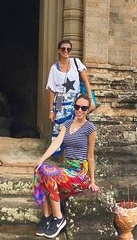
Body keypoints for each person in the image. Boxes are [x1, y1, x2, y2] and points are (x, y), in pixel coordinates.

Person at [33, 95, 99, 238]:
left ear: (88, 110)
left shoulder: (90, 128)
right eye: (77, 107)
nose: (79, 110)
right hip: (65, 170)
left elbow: (91, 156)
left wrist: (92, 181)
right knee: (39, 171)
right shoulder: (67, 124)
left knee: (48, 173)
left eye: (83, 108)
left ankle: (58, 218)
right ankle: (46, 216)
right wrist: (41, 159)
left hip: (78, 174)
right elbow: (56, 143)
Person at [46, 39, 95, 156]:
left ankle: (74, 158)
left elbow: (86, 81)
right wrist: (51, 111)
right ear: (59, 51)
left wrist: (90, 99)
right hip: (60, 103)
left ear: (71, 51)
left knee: (76, 129)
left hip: (76, 104)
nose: (66, 51)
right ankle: (62, 161)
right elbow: (52, 90)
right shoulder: (54, 68)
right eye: (63, 49)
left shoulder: (76, 62)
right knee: (60, 130)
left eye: (68, 49)